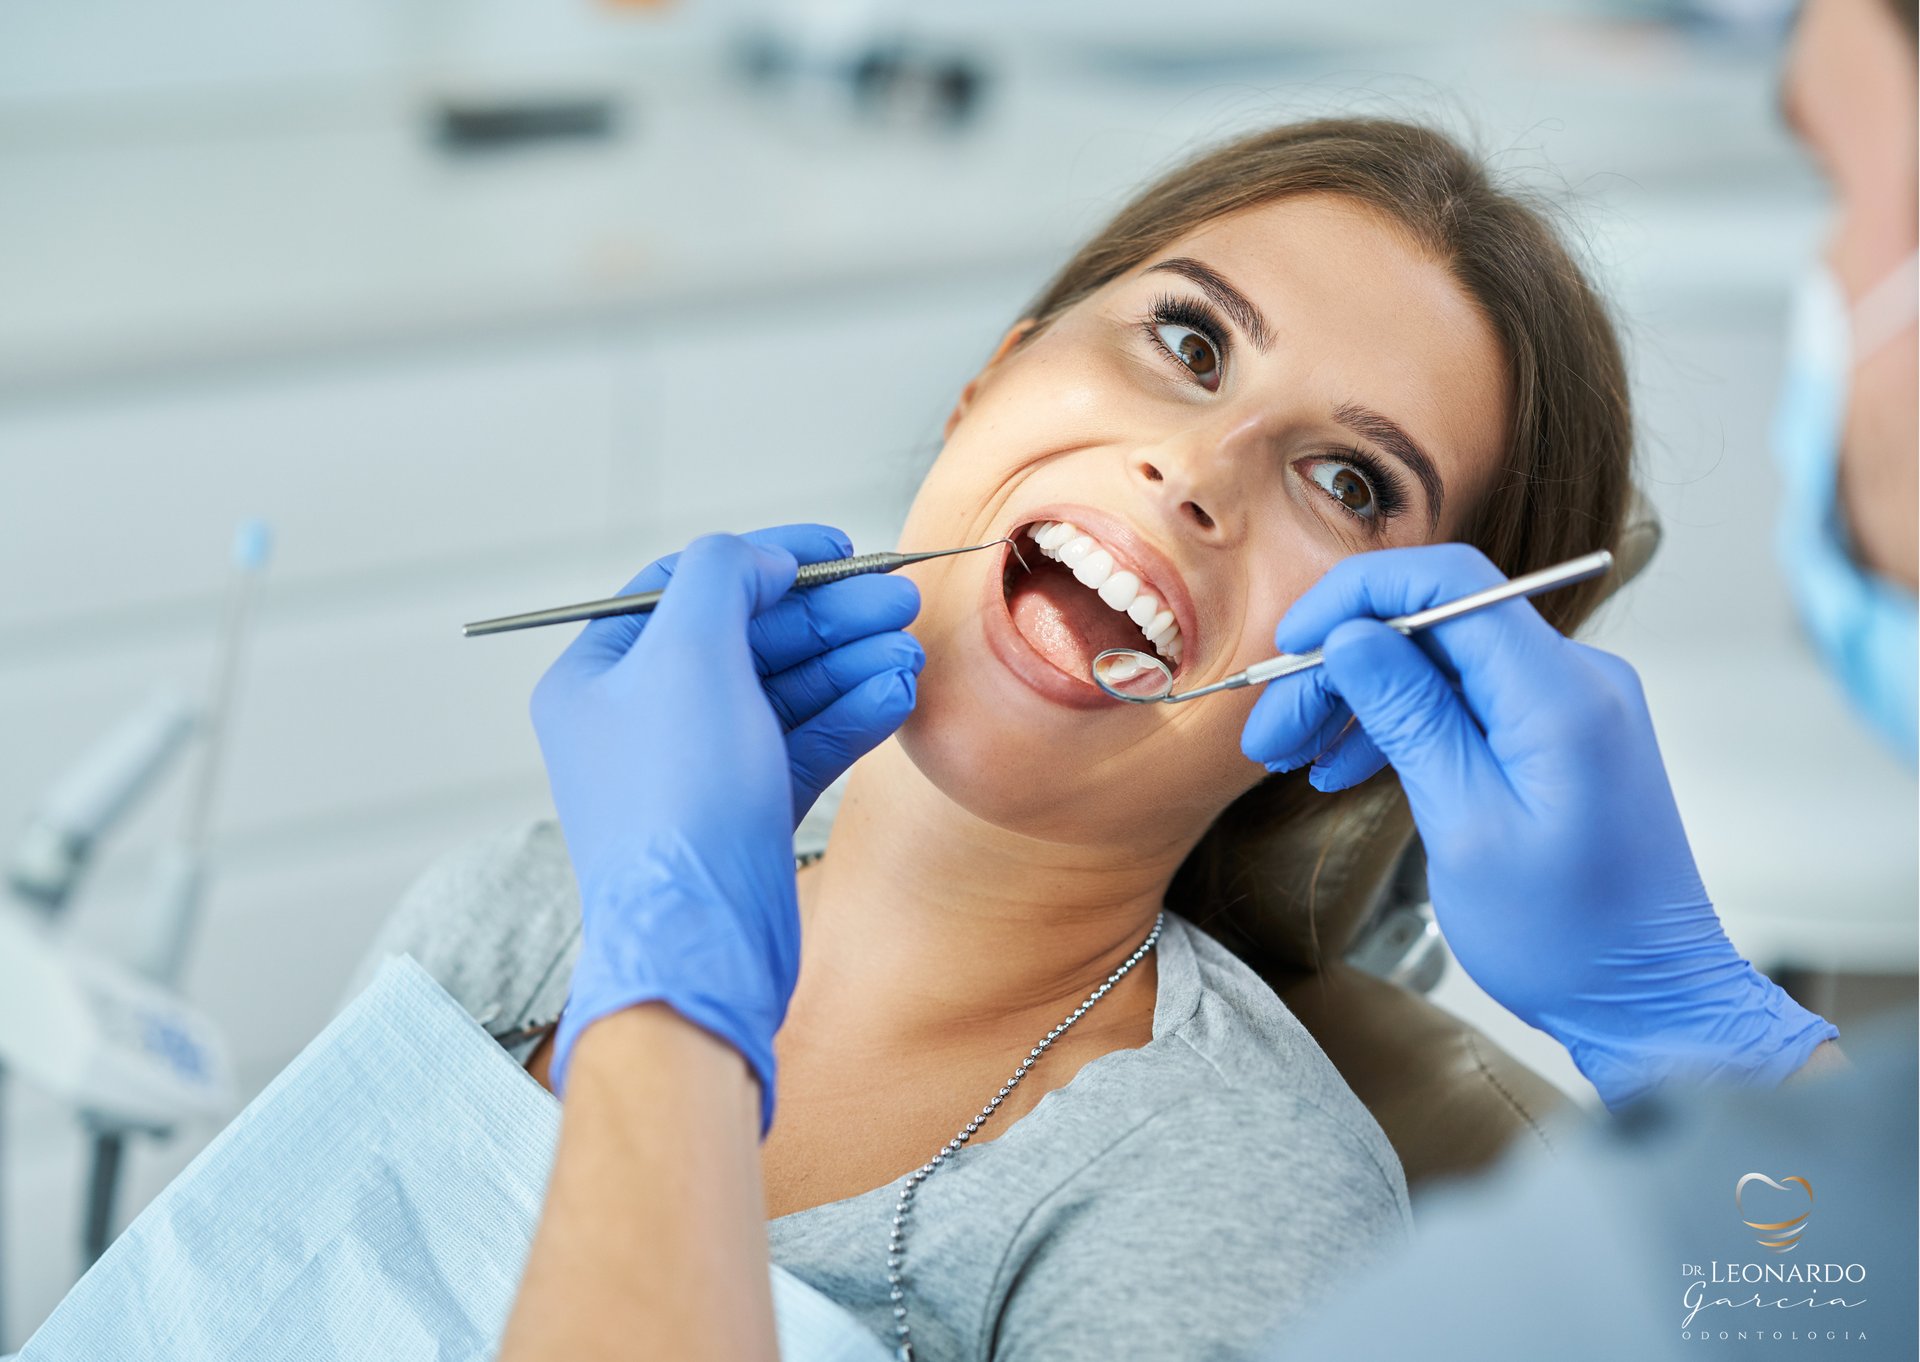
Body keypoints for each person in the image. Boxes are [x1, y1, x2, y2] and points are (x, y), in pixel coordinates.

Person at [354, 118, 1661, 1362]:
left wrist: (668, 962)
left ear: (1380, 703)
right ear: (994, 379)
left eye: (1349, 484)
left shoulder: (1228, 1194)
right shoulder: (504, 912)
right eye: (1192, 341)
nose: (1196, 467)